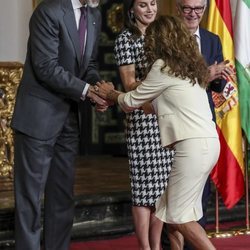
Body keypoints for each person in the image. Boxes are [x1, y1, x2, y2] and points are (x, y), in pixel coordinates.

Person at [95, 15, 220, 250]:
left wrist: (111, 93)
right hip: (207, 144)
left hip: (192, 147)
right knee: (172, 208)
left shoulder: (162, 66)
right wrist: (117, 99)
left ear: (158, 40)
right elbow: (151, 106)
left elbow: (131, 101)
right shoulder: (188, 67)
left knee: (179, 216)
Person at [10, 0, 108, 249]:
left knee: (62, 197)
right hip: (38, 118)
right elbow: (45, 66)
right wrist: (87, 91)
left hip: (69, 118)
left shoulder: (94, 14)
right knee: (30, 199)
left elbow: (89, 65)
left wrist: (98, 86)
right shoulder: (49, 11)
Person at [159, 2, 235, 249]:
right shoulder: (169, 39)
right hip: (173, 125)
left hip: (201, 127)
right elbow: (170, 78)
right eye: (187, 8)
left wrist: (217, 78)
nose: (193, 14)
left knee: (196, 197)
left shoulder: (212, 39)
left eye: (198, 9)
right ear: (177, 8)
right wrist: (206, 72)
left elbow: (217, 87)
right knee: (171, 199)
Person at [113, 1, 174, 249]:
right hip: (140, 119)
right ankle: (145, 247)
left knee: (161, 188)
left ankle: (157, 245)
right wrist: (159, 83)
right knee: (143, 190)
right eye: (142, 5)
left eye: (153, 3)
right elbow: (128, 84)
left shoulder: (163, 34)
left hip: (165, 116)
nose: (150, 9)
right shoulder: (125, 39)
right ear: (132, 9)